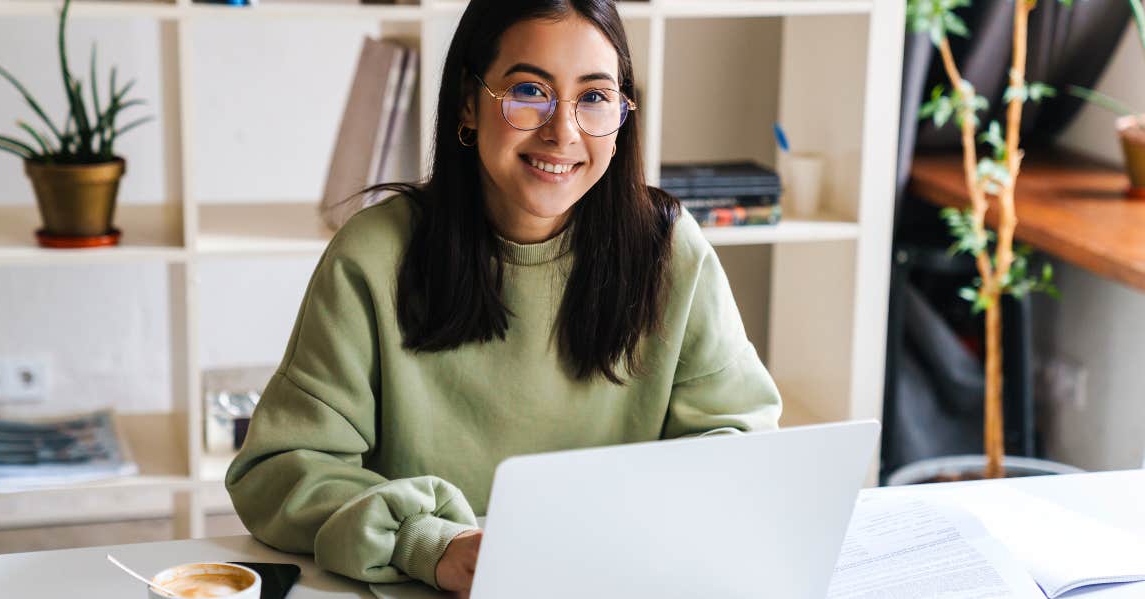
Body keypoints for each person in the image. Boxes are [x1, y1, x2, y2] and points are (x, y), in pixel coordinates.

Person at [225, 0, 782, 596]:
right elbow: (279, 470)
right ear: (469, 101)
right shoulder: (374, 255)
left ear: (622, 117)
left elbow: (739, 444)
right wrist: (426, 542)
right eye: (529, 90)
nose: (562, 132)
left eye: (593, 97)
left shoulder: (671, 251)